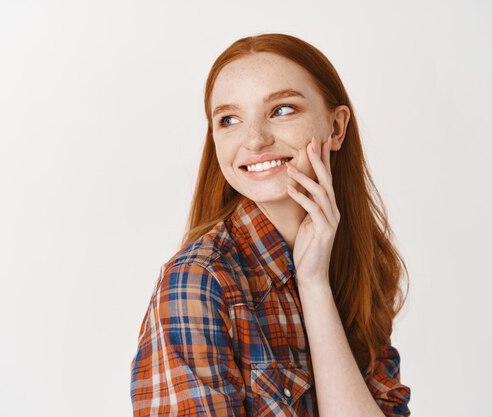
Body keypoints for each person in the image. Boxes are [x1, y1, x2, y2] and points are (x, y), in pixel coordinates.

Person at [130, 33, 411, 417]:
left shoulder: (359, 264)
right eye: (229, 119)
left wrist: (314, 285)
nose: (255, 139)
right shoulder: (199, 282)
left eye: (282, 110)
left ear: (336, 127)